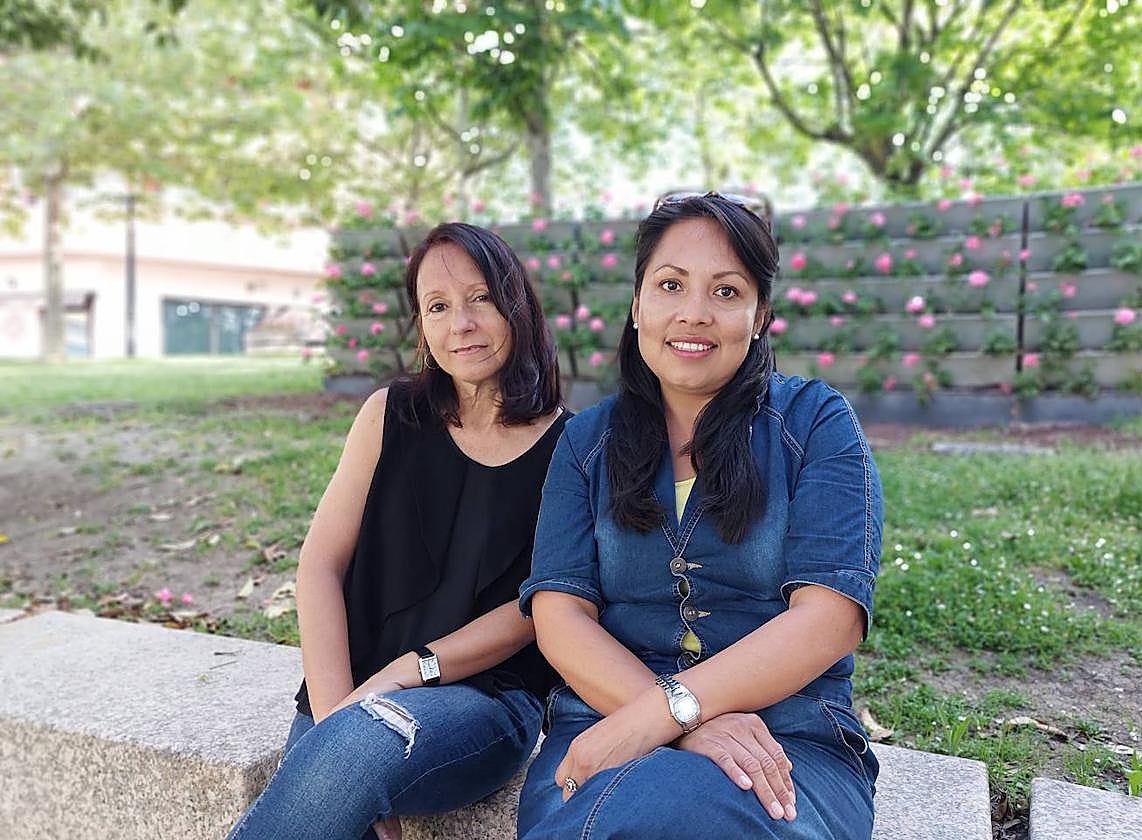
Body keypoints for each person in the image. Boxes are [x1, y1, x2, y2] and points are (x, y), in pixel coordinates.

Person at [516, 193, 883, 839]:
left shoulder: (817, 423)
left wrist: (666, 715)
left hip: (783, 742)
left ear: (759, 314)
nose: (693, 313)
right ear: (636, 306)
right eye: (670, 285)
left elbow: (830, 618)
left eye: (725, 291)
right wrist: (676, 720)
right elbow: (559, 611)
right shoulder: (585, 444)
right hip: (602, 721)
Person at [225, 222, 569, 840]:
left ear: (517, 303)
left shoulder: (574, 442)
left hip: (483, 702)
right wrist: (333, 726)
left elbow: (540, 605)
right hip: (350, 689)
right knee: (346, 770)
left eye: (480, 298)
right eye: (437, 307)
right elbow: (320, 566)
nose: (459, 322)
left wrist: (415, 671)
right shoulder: (389, 414)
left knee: (357, 751)